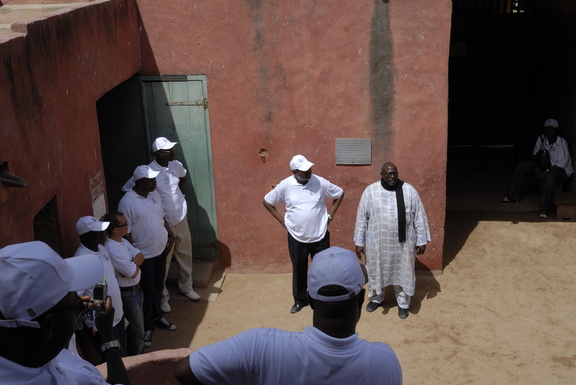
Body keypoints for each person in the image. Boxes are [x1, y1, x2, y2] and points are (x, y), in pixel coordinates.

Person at [173, 246, 402, 385]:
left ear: (310, 300)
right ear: (361, 300)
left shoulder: (260, 346)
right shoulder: (385, 362)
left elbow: (183, 371)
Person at [0, 241, 130, 385]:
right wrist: (107, 336)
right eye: (76, 303)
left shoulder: (29, 353)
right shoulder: (81, 376)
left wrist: (70, 313)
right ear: (49, 325)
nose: (82, 302)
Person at [263, 155, 344, 314]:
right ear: (294, 172)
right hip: (296, 236)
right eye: (304, 171)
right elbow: (267, 201)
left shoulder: (319, 182)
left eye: (309, 169)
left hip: (319, 234)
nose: (308, 172)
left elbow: (339, 193)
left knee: (322, 269)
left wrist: (330, 216)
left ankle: (320, 299)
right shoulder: (286, 185)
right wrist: (282, 222)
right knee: (299, 269)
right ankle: (300, 300)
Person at [354, 162, 431, 319]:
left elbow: (419, 217)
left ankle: (403, 303)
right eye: (388, 174)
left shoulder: (409, 191)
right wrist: (358, 241)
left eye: (395, 173)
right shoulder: (370, 191)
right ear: (381, 174)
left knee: (403, 271)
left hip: (403, 244)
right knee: (377, 270)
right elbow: (362, 218)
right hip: (378, 244)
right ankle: (376, 298)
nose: (392, 176)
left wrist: (421, 240)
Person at [118, 165, 177, 348]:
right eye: (150, 180)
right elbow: (125, 231)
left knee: (159, 285)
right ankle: (147, 326)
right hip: (145, 254)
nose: (154, 182)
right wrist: (134, 252)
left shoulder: (154, 194)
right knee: (148, 290)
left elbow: (161, 217)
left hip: (160, 249)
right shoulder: (127, 202)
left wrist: (170, 234)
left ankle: (157, 316)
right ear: (140, 182)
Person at [148, 137, 200, 313]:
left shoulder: (176, 165)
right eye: (166, 150)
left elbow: (183, 176)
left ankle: (186, 287)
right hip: (164, 223)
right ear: (156, 154)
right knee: (165, 259)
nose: (171, 151)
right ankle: (163, 297)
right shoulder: (148, 172)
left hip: (181, 216)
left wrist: (182, 195)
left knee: (185, 253)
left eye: (171, 148)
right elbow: (129, 189)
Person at [74, 216, 126, 358]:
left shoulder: (102, 249)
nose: (103, 234)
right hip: (102, 325)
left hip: (118, 316)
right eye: (98, 232)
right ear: (85, 236)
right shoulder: (81, 261)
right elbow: (77, 298)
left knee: (125, 356)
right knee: (114, 360)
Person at [502, 118, 574, 219]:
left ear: (556, 130)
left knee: (549, 177)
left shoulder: (561, 142)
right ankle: (513, 195)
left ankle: (544, 208)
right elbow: (535, 154)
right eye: (547, 129)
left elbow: (563, 163)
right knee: (522, 166)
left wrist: (546, 171)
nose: (549, 131)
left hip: (560, 169)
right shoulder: (541, 139)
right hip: (545, 167)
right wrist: (536, 167)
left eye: (552, 129)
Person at [103, 211, 145, 356]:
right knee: (137, 331)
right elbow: (132, 272)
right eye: (125, 224)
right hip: (128, 293)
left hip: (136, 289)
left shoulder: (123, 241)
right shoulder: (112, 248)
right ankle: (139, 359)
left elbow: (141, 256)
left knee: (137, 329)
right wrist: (134, 265)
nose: (128, 226)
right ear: (115, 229)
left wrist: (133, 263)